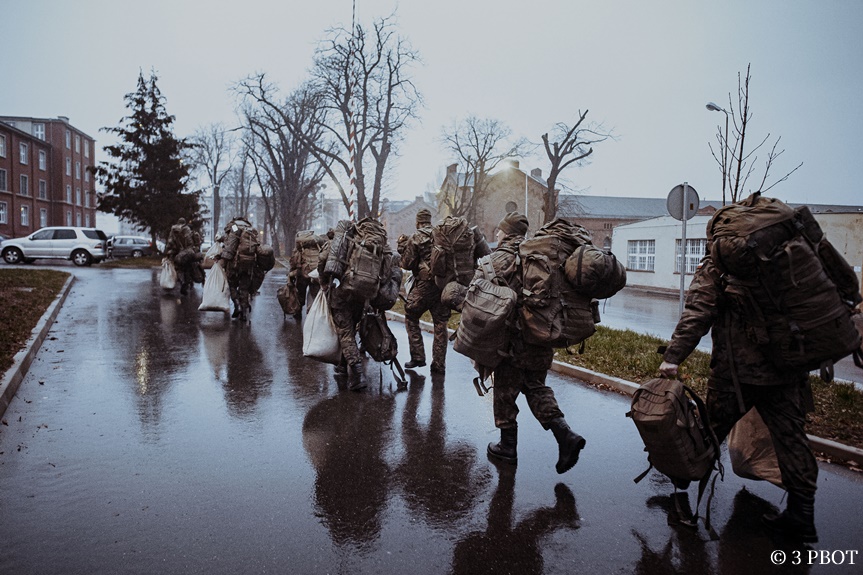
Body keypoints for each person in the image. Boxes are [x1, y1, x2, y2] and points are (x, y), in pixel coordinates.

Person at [658, 248, 820, 543]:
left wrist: (673, 356)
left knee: (707, 435)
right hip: (786, 370)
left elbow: (698, 312)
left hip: (735, 373)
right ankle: (802, 516)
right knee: (791, 439)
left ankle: (684, 502)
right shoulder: (788, 257)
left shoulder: (719, 262)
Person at [481, 212, 586, 474]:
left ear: (505, 233)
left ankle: (507, 447)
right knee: (536, 386)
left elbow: (480, 299)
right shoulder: (542, 257)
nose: (496, 235)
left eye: (499, 231)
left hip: (513, 341)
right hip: (542, 336)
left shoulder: (498, 259)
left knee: (505, 391)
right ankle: (566, 435)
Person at [397, 208, 451, 373]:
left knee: (411, 315)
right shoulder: (441, 235)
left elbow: (407, 264)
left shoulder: (416, 237)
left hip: (424, 285)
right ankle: (439, 364)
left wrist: (402, 248)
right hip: (442, 285)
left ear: (418, 221)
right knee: (440, 323)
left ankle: (418, 356)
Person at [164, 217, 199, 295]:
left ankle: (182, 281)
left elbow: (170, 242)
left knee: (179, 269)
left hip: (177, 254)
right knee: (187, 268)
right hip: (187, 253)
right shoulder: (187, 229)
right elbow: (191, 242)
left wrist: (169, 252)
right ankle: (187, 283)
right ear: (184, 223)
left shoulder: (173, 230)